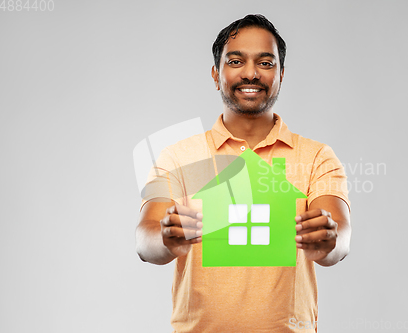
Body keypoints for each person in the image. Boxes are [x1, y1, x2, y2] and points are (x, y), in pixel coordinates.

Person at [136, 14, 351, 332]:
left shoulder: (317, 157)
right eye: (236, 61)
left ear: (281, 74)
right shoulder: (177, 157)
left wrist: (329, 242)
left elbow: (340, 236)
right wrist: (165, 238)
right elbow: (145, 239)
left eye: (265, 63)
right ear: (216, 73)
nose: (250, 73)